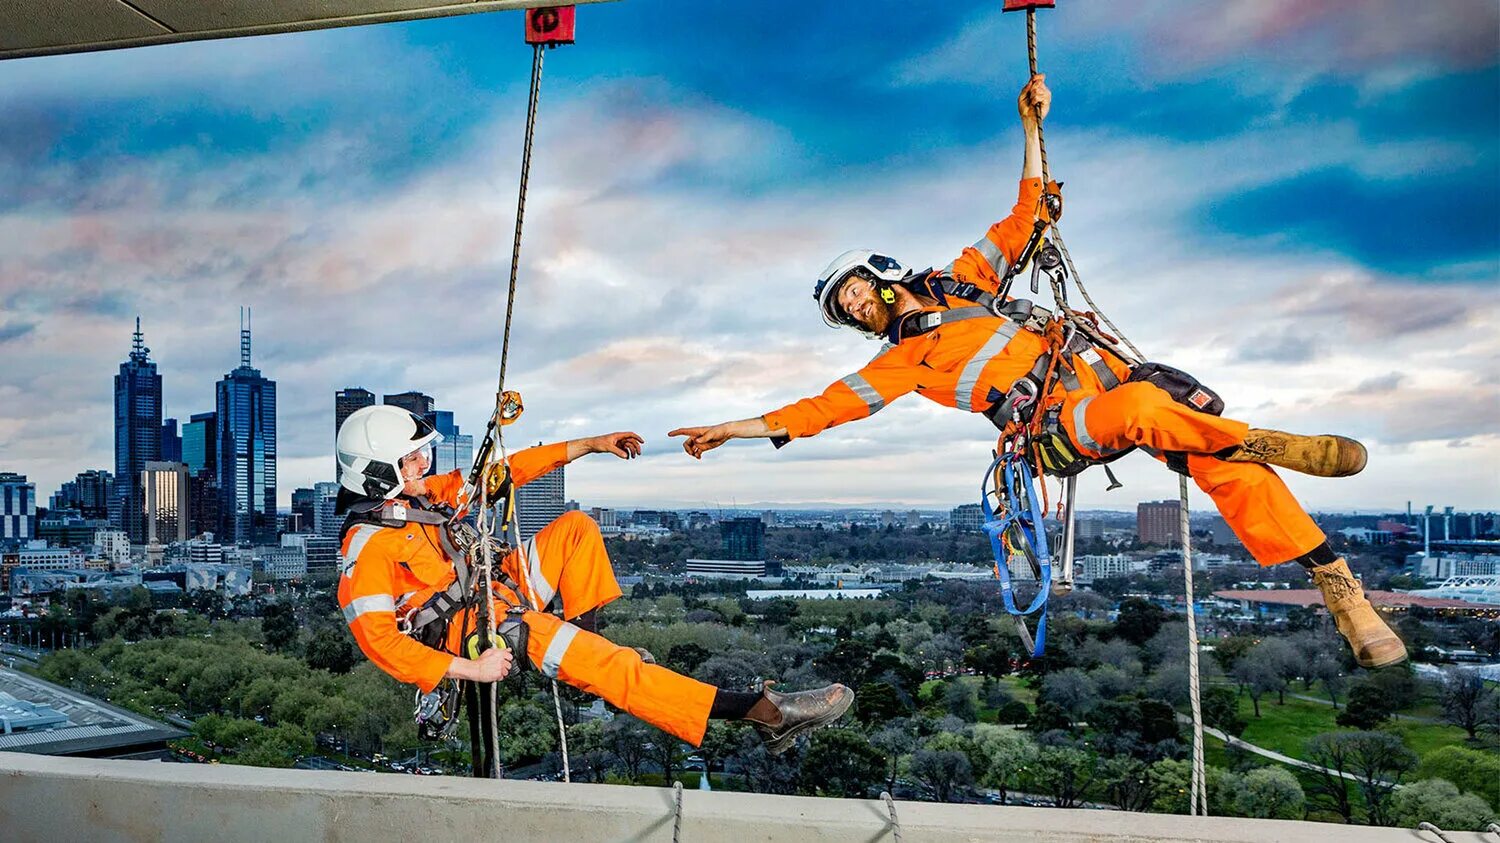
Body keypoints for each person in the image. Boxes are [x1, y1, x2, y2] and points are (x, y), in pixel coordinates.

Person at [669, 75, 1404, 669]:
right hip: (1058, 421)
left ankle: (1342, 594)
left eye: (856, 289)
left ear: (880, 275)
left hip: (1100, 368)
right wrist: (732, 429)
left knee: (1224, 464)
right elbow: (820, 408)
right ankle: (1270, 438)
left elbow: (1025, 216)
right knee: (1144, 411)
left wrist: (1029, 126)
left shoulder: (963, 281)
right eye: (846, 307)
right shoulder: (900, 363)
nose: (857, 305)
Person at [334, 404, 851, 753]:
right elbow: (380, 642)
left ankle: (589, 643)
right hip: (473, 630)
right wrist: (469, 671)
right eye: (412, 456)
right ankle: (764, 712)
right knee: (616, 669)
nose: (425, 461)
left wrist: (590, 444)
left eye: (424, 452)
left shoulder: (425, 498)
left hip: (495, 587)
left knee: (577, 527)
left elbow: (505, 471)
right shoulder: (367, 544)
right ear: (377, 469)